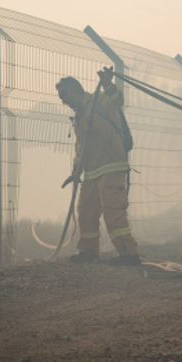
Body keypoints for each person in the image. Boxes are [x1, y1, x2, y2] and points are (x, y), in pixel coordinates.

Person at [56, 67, 140, 265]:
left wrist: (108, 84)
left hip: (111, 165)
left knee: (113, 211)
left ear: (75, 91)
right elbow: (80, 148)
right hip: (92, 172)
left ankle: (128, 254)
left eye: (65, 95)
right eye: (61, 97)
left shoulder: (99, 101)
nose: (64, 101)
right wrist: (76, 172)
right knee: (86, 211)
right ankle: (88, 252)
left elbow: (117, 101)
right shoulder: (79, 117)